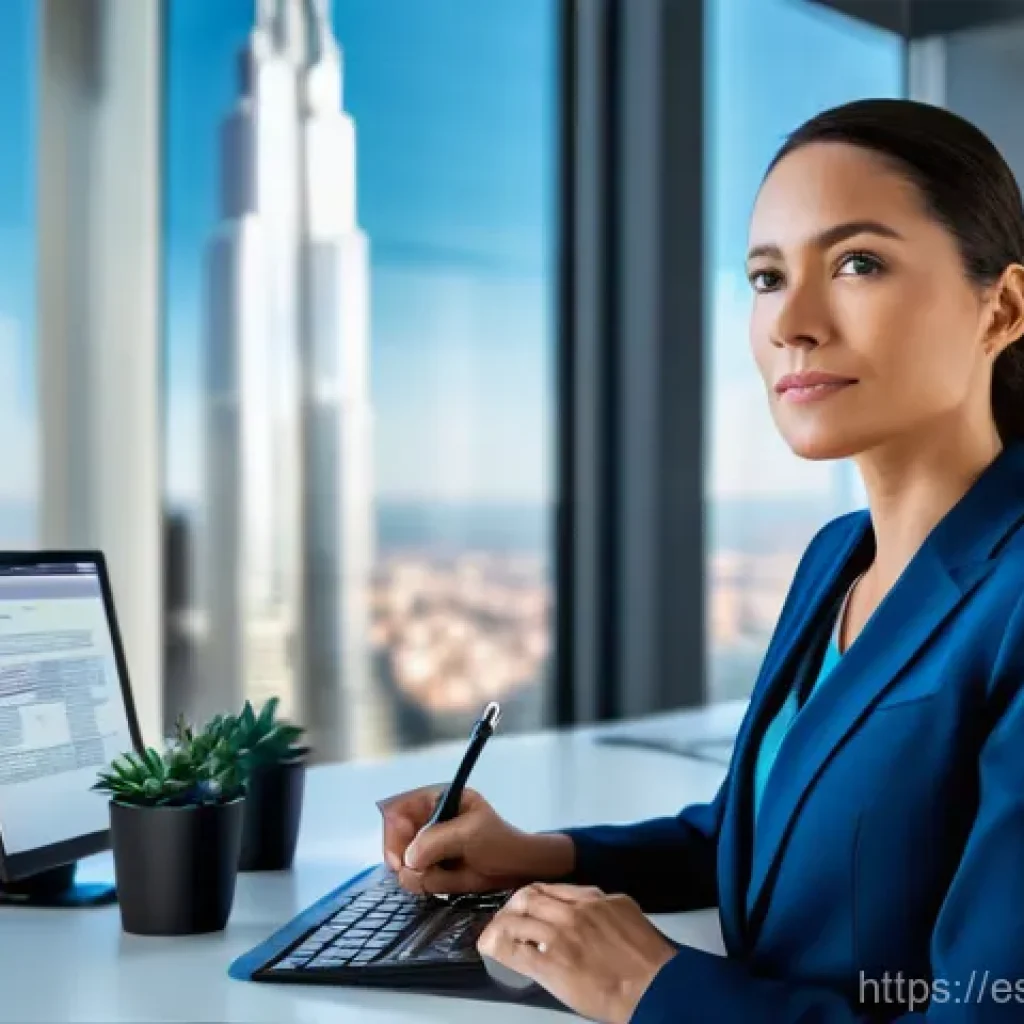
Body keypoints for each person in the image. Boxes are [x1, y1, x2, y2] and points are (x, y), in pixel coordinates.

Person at [377, 97, 1024, 1023]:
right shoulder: (836, 559)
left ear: (1000, 309)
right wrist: (541, 856)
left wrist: (654, 987)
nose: (793, 322)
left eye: (858, 263)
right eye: (767, 277)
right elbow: (772, 826)